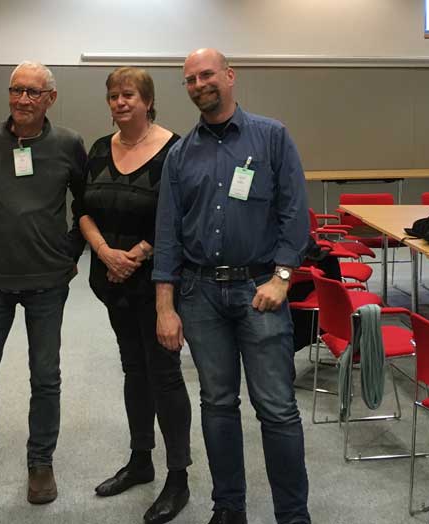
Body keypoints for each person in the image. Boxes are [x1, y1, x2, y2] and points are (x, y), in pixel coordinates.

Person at [153, 49, 312, 524]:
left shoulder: (271, 137)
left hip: (259, 292)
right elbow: (167, 235)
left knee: (277, 409)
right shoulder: (180, 154)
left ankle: (292, 514)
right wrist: (165, 305)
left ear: (229, 76)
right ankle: (229, 509)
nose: (199, 83)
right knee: (217, 405)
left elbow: (294, 215)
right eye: (189, 79)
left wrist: (282, 279)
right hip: (200, 297)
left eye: (207, 74)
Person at [0, 61, 87, 509]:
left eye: (33, 92)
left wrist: (69, 250)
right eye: (16, 90)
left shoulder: (68, 144)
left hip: (47, 281)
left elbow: (87, 203)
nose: (23, 99)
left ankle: (41, 462)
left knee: (46, 377)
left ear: (50, 98)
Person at [79, 67, 191, 524]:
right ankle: (141, 460)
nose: (119, 102)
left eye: (128, 95)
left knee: (164, 373)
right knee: (132, 369)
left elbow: (179, 217)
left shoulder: (175, 149)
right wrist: (106, 253)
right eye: (112, 96)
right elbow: (82, 210)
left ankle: (178, 476)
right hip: (111, 281)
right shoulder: (98, 149)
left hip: (156, 281)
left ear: (147, 100)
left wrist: (137, 255)